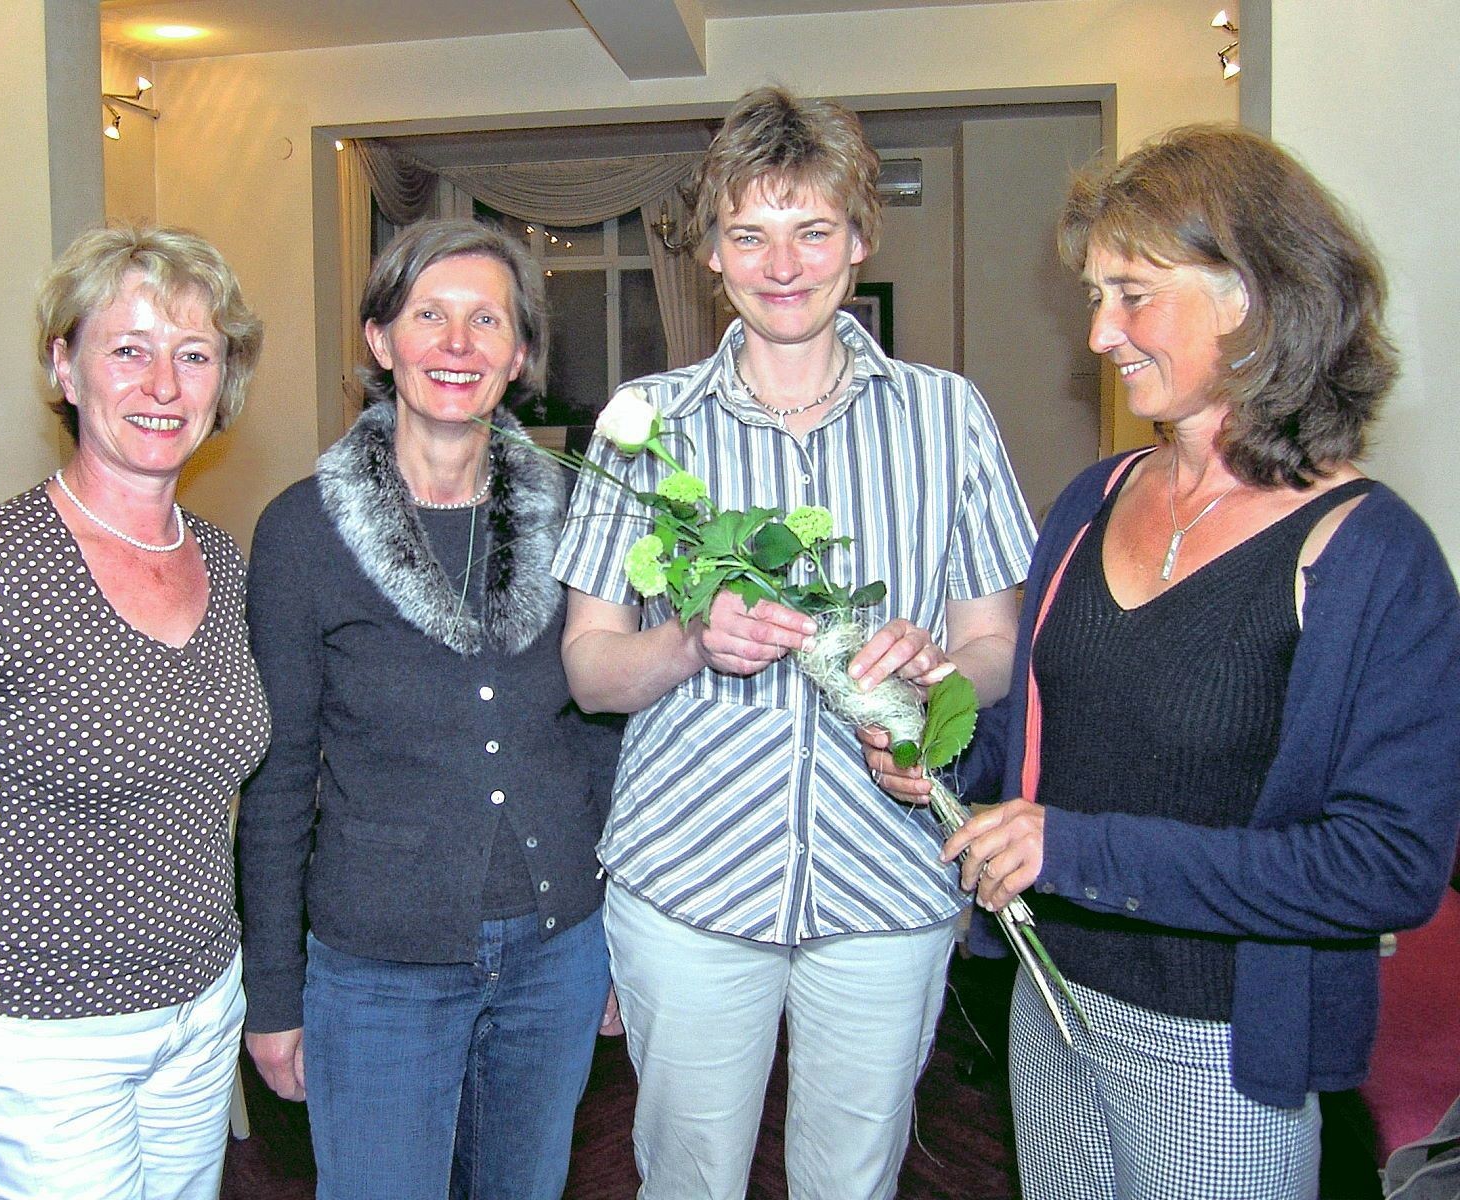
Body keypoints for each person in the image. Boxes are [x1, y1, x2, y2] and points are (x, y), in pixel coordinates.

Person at [866, 125, 1460, 1199]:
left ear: (1252, 296)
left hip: (1221, 1050)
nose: (1101, 333)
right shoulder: (1091, 501)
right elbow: (1035, 746)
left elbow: (1386, 866)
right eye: (1095, 296)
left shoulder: (1372, 556)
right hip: (1051, 1003)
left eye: (1132, 294)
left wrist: (1075, 849)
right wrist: (933, 746)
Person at [551, 87, 1034, 1200]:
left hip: (886, 882)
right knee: (688, 1177)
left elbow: (996, 644)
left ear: (859, 240)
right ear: (710, 254)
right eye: (749, 234)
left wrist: (939, 673)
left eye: (812, 230)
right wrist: (687, 642)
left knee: (851, 1180)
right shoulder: (646, 424)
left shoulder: (947, 416)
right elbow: (588, 665)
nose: (782, 265)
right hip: (690, 882)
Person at [0, 224, 270, 1199]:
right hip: (38, 1040)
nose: (163, 385)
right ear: (63, 366)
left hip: (199, 1009)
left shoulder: (221, 561)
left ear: (223, 383)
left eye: (194, 354)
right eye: (127, 349)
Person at [238, 217, 620, 1200]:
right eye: (428, 316)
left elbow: (604, 740)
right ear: (380, 340)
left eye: (486, 320)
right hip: (379, 967)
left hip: (557, 954)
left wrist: (615, 941)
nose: (458, 344)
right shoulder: (302, 531)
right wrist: (272, 992)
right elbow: (278, 780)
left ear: (520, 354)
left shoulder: (578, 516)